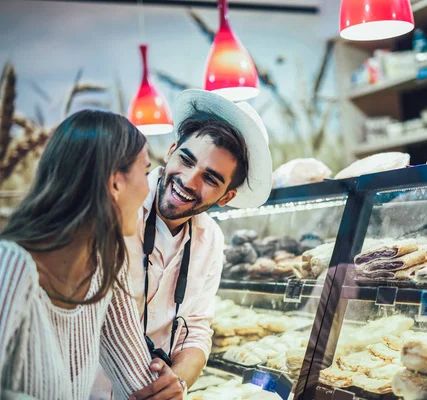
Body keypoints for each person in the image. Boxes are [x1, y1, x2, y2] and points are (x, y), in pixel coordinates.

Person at [92, 89, 273, 399]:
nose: (189, 181)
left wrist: (177, 382)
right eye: (186, 160)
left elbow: (198, 329)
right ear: (172, 150)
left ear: (227, 197)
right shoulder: (116, 210)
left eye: (211, 178)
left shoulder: (211, 239)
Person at [0, 110, 181, 399]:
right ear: (114, 183)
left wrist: (167, 388)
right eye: (145, 172)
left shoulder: (105, 265)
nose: (149, 187)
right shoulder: (11, 266)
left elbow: (138, 383)